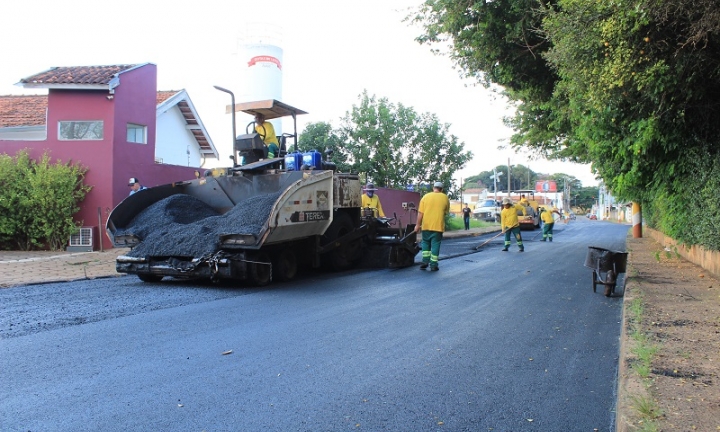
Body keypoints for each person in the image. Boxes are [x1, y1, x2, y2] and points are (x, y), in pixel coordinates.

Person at [414, 181, 450, 271]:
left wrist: (418, 225)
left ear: (433, 188)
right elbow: (445, 212)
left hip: (426, 225)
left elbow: (420, 213)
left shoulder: (425, 197)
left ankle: (425, 261)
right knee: (435, 245)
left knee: (425, 243)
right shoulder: (445, 198)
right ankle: (433, 264)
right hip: (438, 226)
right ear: (441, 189)